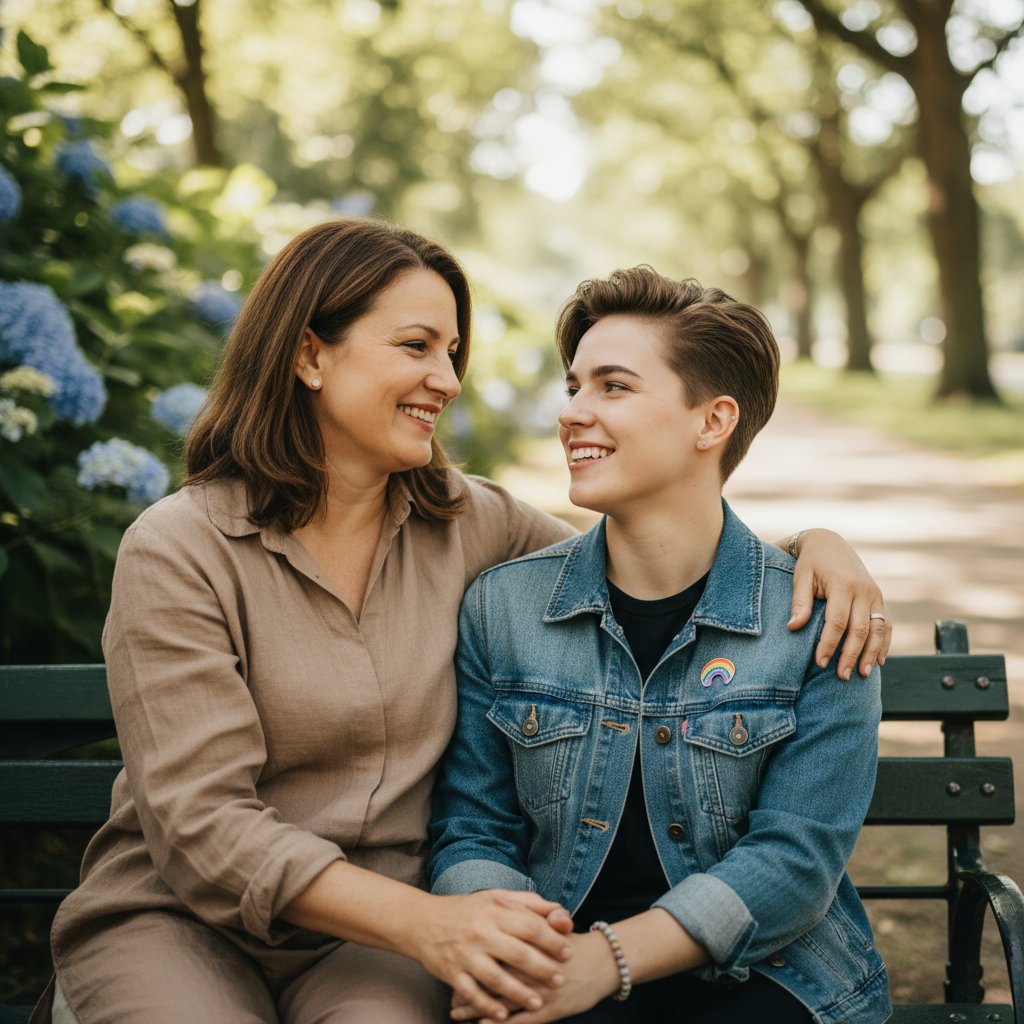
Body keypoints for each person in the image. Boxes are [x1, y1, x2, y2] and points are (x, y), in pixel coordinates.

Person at [34, 222, 888, 1024]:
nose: (447, 379)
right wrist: (431, 925)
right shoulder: (182, 548)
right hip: (192, 917)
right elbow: (201, 825)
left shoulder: (470, 525)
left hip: (374, 943)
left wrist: (814, 546)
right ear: (309, 356)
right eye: (416, 347)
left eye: (451, 352)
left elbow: (663, 560)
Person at [428, 267, 891, 1024]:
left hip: (770, 978)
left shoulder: (819, 617)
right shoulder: (504, 608)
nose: (574, 412)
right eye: (574, 386)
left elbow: (794, 863)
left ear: (712, 422)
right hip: (553, 956)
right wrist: (509, 942)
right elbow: (473, 827)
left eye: (613, 387)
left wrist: (605, 962)